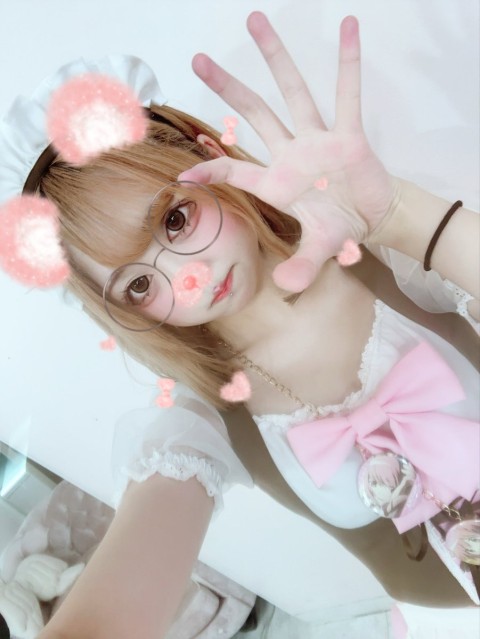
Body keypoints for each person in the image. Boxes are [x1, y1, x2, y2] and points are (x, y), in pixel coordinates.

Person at [0, 11, 478, 639]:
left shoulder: (380, 253)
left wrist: (400, 215)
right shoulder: (206, 421)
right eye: (139, 285)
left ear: (208, 153)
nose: (189, 278)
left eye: (175, 220)